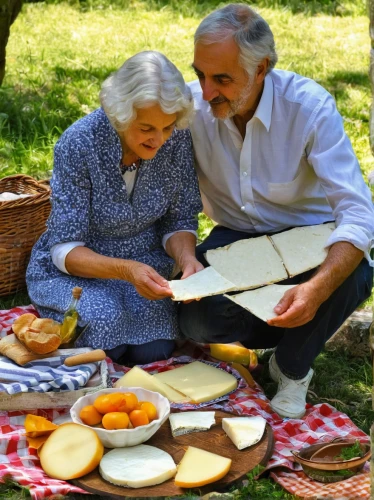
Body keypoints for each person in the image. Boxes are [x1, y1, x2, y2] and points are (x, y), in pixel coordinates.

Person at [179, 4, 374, 419]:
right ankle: (296, 333)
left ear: (261, 68)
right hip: (234, 237)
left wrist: (316, 290)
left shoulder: (308, 108)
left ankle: (290, 366)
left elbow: (358, 215)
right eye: (200, 74)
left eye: (222, 79)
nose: (207, 90)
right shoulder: (191, 107)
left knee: (355, 274)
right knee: (194, 319)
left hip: (310, 238)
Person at [26, 51, 203, 365]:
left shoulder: (175, 139)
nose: (159, 139)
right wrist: (126, 270)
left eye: (167, 127)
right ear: (120, 113)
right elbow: (64, 247)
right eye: (147, 128)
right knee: (108, 334)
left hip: (146, 263)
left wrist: (186, 258)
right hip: (80, 268)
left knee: (155, 350)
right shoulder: (79, 143)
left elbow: (179, 218)